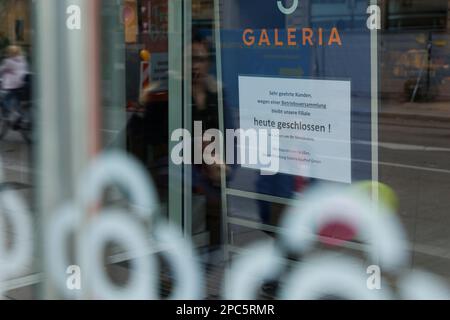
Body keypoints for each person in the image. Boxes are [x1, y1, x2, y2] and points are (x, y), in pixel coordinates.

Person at [0, 45, 29, 119]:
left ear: (10, 53)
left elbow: (2, 70)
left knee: (5, 100)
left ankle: (10, 115)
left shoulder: (8, 61)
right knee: (17, 101)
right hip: (21, 83)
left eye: (8, 52)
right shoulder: (23, 60)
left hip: (11, 84)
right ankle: (20, 116)